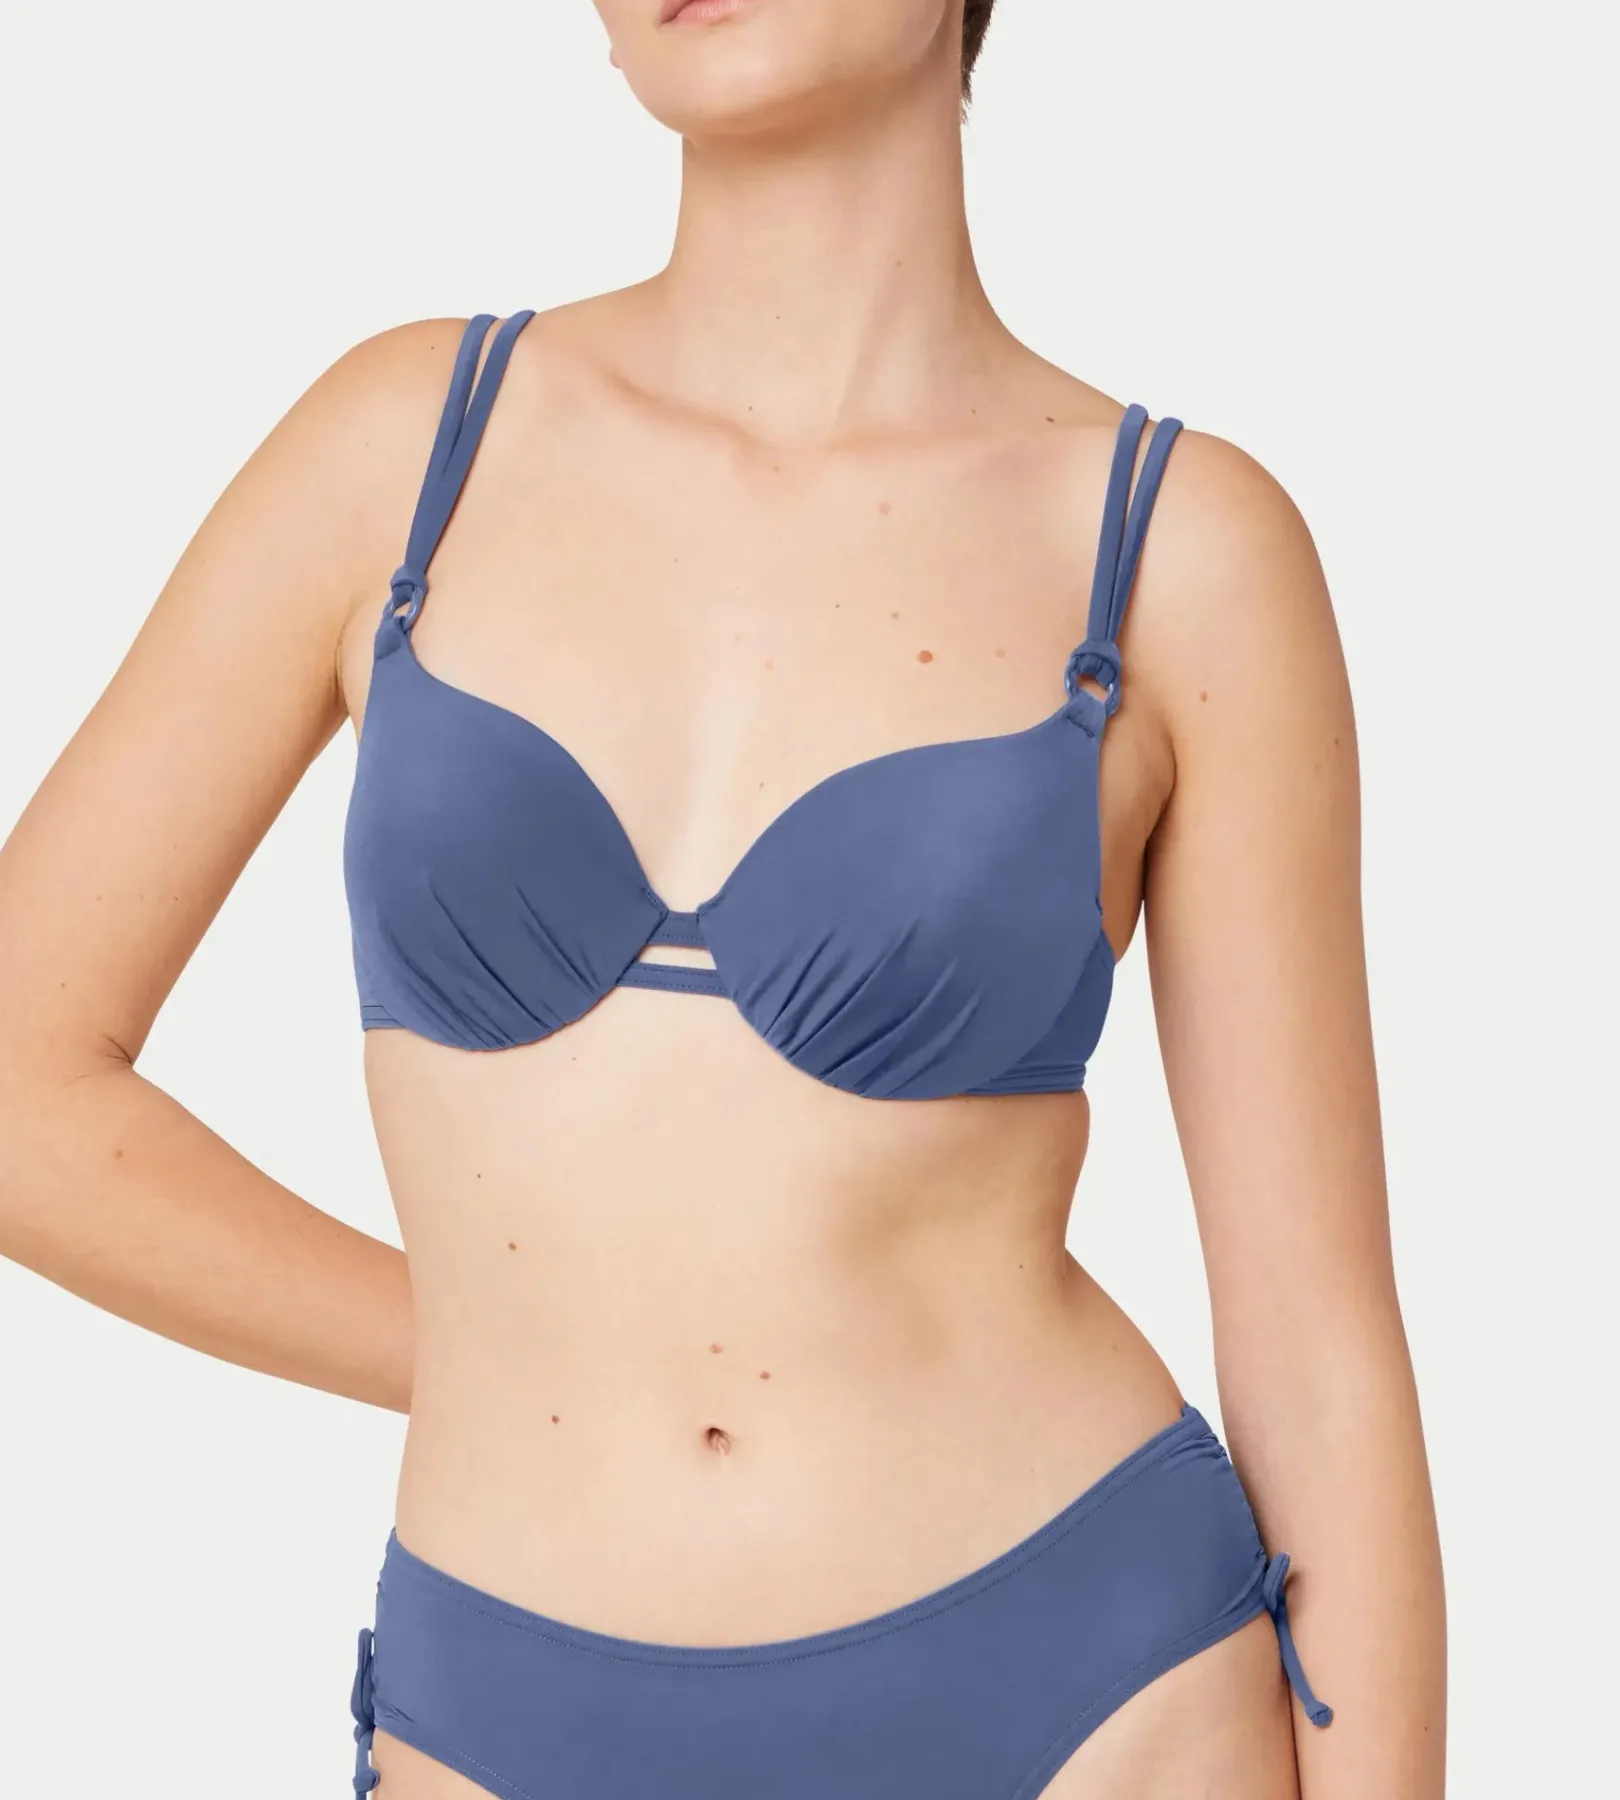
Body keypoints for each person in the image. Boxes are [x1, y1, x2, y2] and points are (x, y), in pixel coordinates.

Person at [0, 2, 1445, 1795]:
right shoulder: (405, 453)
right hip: (502, 1705)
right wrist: (496, 1347)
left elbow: (1317, 1351)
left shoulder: (1177, 551)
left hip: (1086, 1690)